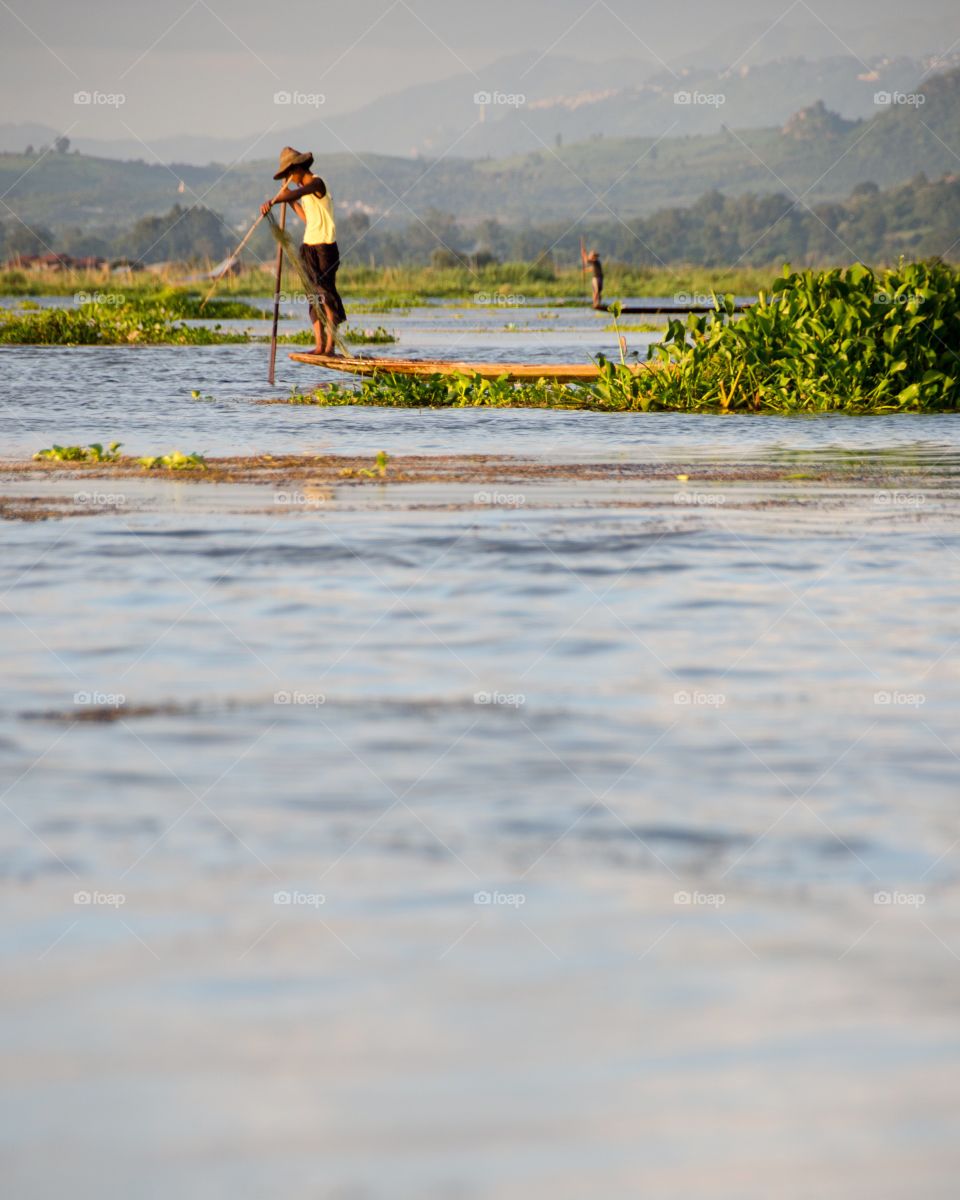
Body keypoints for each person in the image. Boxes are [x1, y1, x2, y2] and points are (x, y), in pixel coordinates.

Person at [261, 146, 346, 356]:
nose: (290, 178)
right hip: (308, 246)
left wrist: (281, 197)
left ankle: (330, 347)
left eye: (291, 173)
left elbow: (301, 191)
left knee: (325, 294)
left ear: (299, 168)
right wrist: (289, 202)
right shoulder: (304, 193)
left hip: (325, 247)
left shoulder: (317, 183)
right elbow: (309, 220)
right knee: (312, 297)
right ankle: (319, 344)